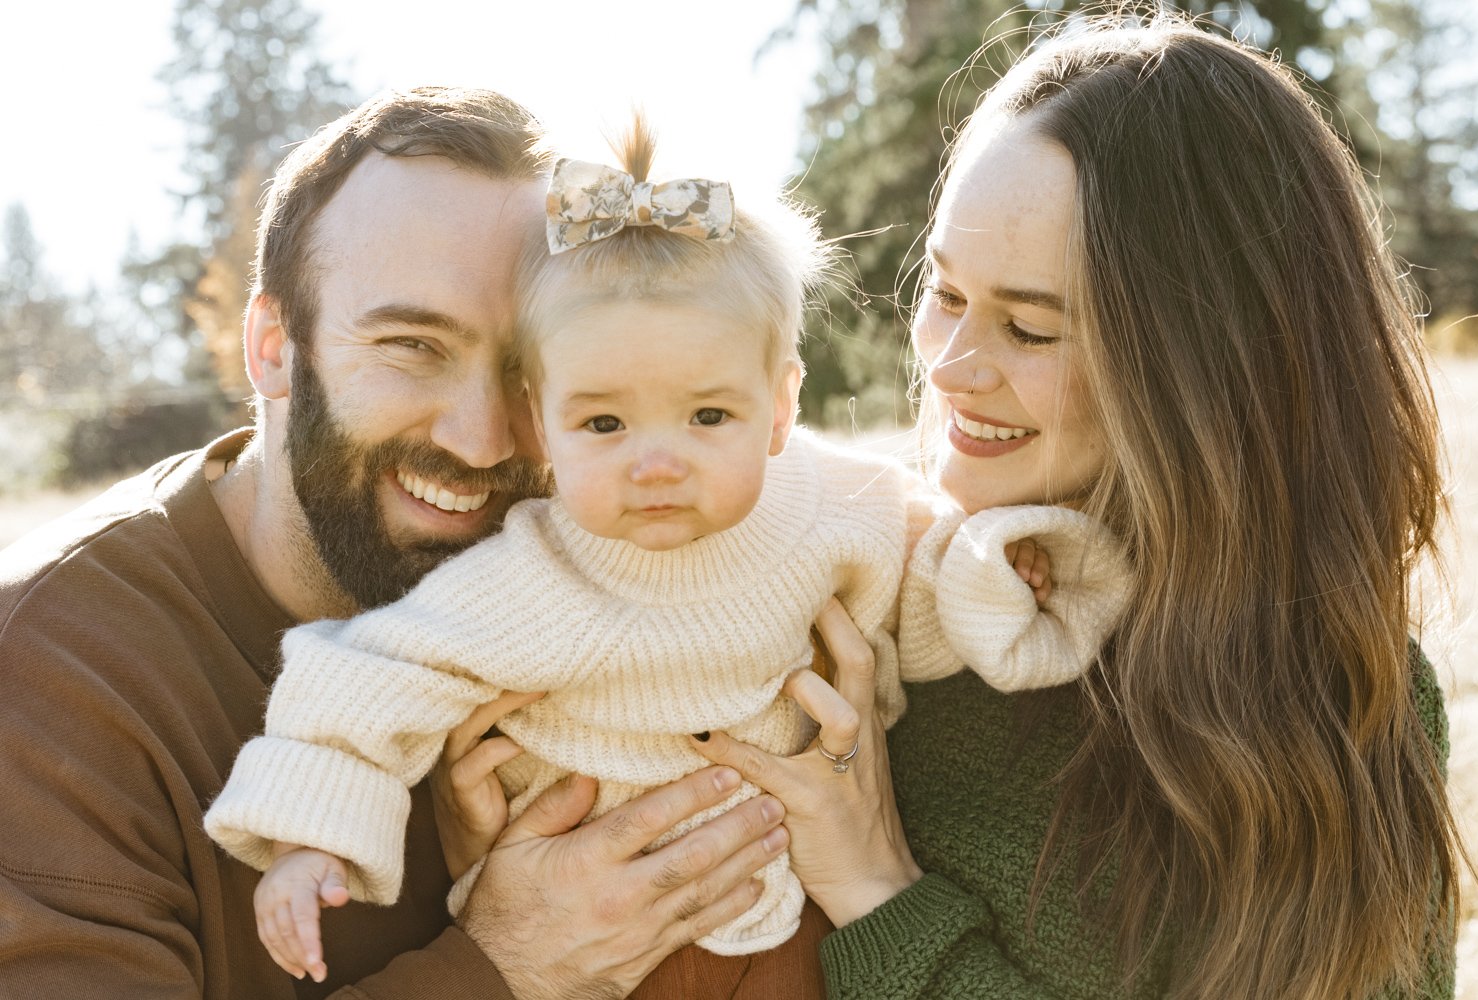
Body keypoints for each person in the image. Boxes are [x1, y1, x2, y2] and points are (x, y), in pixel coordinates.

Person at [203, 117, 1131, 995]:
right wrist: (310, 843)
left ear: (780, 408)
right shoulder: (526, 578)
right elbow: (365, 682)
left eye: (707, 416)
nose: (657, 463)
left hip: (800, 917)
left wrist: (1001, 582)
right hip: (617, 950)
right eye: (603, 421)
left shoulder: (834, 504)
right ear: (540, 419)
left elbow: (917, 591)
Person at [695, 16, 1463, 1000]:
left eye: (1029, 327)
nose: (951, 364)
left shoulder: (1343, 701)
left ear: (1202, 373)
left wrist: (882, 895)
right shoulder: (853, 581)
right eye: (945, 290)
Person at [0, 88, 802, 999]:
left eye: (523, 372)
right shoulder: (48, 678)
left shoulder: (612, 557)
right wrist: (508, 966)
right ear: (271, 346)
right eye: (413, 346)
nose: (481, 439)